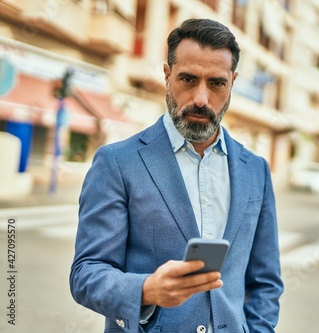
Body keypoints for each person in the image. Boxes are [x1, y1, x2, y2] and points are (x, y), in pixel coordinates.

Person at [70, 18, 283, 333]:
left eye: (216, 83)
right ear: (167, 75)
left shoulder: (256, 170)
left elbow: (265, 282)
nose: (201, 98)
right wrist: (145, 290)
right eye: (188, 79)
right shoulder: (117, 162)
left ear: (232, 83)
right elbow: (86, 274)